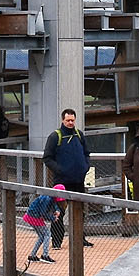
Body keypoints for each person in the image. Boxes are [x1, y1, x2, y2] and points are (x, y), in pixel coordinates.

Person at [42, 109, 91, 248]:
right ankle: (57, 241)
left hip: (78, 180)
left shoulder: (79, 135)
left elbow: (87, 153)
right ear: (63, 120)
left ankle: (80, 239)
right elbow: (47, 158)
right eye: (68, 120)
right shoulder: (55, 136)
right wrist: (60, 170)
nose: (70, 123)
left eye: (72, 120)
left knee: (80, 211)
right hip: (62, 182)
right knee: (58, 212)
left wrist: (85, 167)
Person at [23, 184, 62, 264]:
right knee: (47, 234)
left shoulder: (50, 196)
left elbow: (54, 204)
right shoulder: (47, 198)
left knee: (42, 236)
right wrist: (52, 218)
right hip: (34, 217)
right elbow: (43, 213)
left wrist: (57, 210)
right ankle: (45, 255)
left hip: (32, 216)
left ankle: (32, 255)